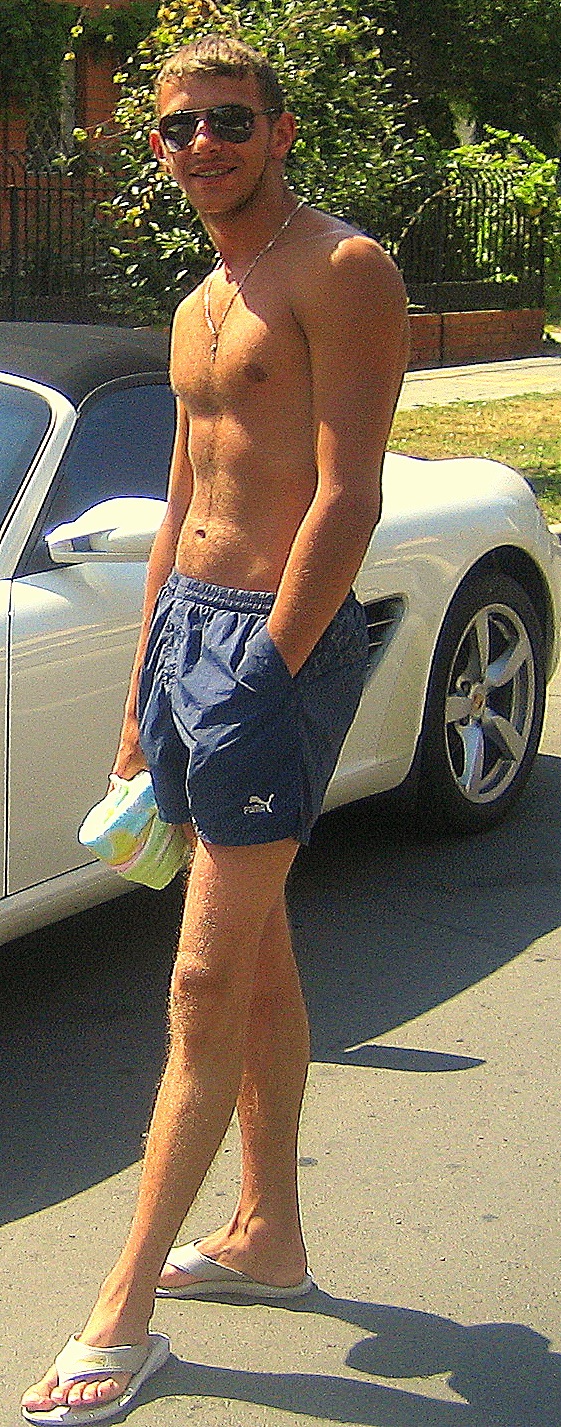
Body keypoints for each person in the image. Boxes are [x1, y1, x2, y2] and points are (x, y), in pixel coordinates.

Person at [21, 32, 409, 1424]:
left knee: (199, 980)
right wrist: (143, 694)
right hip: (188, 630)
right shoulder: (198, 302)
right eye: (181, 126)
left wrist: (266, 668)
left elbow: (347, 495)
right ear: (158, 146)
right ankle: (268, 1238)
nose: (205, 145)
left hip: (271, 646)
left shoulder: (340, 270)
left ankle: (119, 1320)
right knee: (256, 954)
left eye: (230, 121)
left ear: (279, 131)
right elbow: (183, 501)